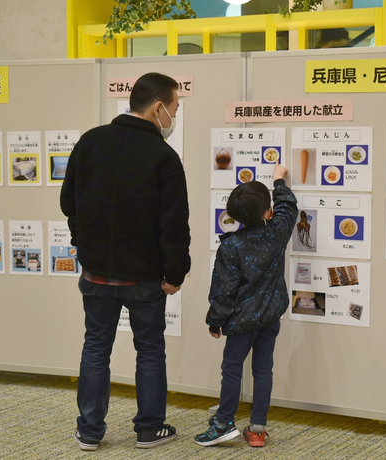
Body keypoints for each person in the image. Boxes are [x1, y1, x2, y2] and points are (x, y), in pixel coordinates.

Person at [60, 72, 191, 451]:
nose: (174, 116)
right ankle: (149, 430)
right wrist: (174, 273)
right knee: (149, 349)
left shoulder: (90, 142)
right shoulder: (164, 157)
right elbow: (173, 224)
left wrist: (84, 247)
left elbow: (69, 203)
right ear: (158, 108)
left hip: (96, 273)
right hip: (146, 278)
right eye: (175, 108)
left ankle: (89, 431)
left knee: (95, 348)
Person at [195, 164, 298, 448]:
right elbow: (288, 207)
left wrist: (215, 321)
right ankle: (257, 429)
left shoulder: (231, 246)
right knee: (263, 370)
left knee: (232, 369)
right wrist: (279, 182)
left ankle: (223, 422)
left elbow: (222, 291)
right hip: (270, 316)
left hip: (241, 321)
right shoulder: (277, 232)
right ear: (268, 213)